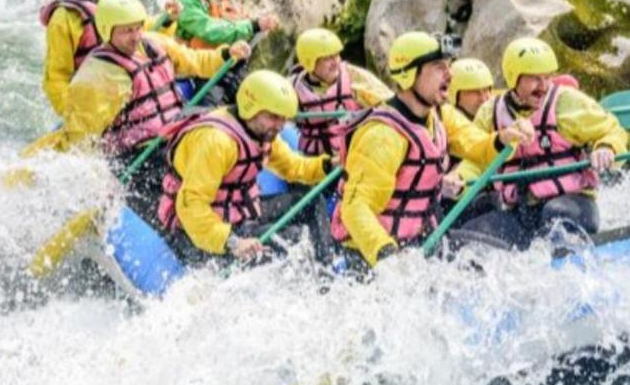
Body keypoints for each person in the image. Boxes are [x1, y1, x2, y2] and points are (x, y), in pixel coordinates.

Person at [330, 31, 534, 272]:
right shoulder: (382, 136)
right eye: (439, 67)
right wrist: (387, 256)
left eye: (448, 66)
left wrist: (506, 137)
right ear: (409, 75)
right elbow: (356, 209)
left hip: (418, 243)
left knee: (493, 261)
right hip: (370, 256)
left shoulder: (440, 115)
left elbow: (479, 147)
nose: (450, 74)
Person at [55, 0, 249, 202]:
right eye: (127, 31)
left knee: (227, 122)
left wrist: (227, 55)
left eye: (138, 27)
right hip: (139, 153)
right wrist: (96, 183)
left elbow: (195, 61)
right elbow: (82, 137)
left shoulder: (153, 43)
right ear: (106, 31)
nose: (136, 35)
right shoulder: (97, 77)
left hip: (175, 128)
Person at [458, 37, 627, 247]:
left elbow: (613, 130)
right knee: (470, 236)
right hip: (518, 212)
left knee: (555, 216)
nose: (544, 86)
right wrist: (457, 180)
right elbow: (475, 159)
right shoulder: (490, 113)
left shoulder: (566, 102)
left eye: (548, 77)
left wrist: (606, 147)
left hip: (572, 203)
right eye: (535, 79)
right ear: (514, 78)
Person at [155, 71, 329, 265]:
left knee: (312, 202)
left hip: (240, 213)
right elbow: (191, 207)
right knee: (294, 239)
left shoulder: (261, 133)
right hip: (201, 233)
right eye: (273, 117)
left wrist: (330, 165)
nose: (280, 126)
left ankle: (327, 269)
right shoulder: (217, 142)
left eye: (283, 119)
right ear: (251, 109)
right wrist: (233, 242)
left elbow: (295, 167)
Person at [40, 0, 176, 118]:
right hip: (96, 91)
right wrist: (72, 114)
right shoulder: (62, 20)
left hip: (128, 77)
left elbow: (143, 28)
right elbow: (56, 77)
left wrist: (167, 20)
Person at [289, 28, 392, 159]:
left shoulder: (354, 77)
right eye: (327, 58)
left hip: (353, 155)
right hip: (314, 161)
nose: (335, 62)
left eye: (336, 55)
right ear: (310, 62)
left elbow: (389, 105)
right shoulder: (292, 89)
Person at [441, 57, 495, 189]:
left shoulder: (496, 117)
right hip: (457, 196)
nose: (484, 98)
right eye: (475, 92)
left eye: (487, 90)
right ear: (455, 95)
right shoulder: (444, 125)